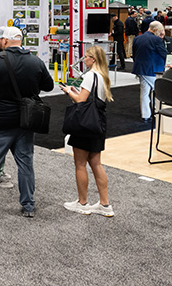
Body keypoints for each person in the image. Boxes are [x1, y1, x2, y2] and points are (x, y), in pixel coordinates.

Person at [0, 27, 54, 217]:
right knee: (25, 164)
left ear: (5, 42)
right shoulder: (35, 62)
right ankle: (28, 206)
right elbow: (49, 86)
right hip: (25, 123)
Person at [58, 46, 115, 217]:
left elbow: (81, 100)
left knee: (80, 164)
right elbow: (92, 99)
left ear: (94, 59)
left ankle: (82, 203)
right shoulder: (104, 76)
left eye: (87, 57)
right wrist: (77, 93)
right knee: (96, 163)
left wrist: (69, 91)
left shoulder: (89, 76)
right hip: (98, 123)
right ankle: (105, 204)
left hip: (84, 124)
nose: (84, 60)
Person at [131, 21, 167, 122]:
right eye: (159, 31)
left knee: (144, 92)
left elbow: (134, 54)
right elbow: (163, 54)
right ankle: (158, 113)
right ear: (155, 30)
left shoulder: (137, 38)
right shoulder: (156, 40)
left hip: (140, 68)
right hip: (153, 70)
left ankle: (146, 115)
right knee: (158, 91)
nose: (160, 33)